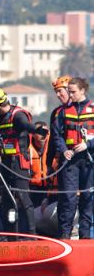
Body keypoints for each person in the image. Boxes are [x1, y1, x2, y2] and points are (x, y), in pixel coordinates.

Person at [0, 87, 48, 235]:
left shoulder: (17, 116)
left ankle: (31, 234)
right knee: (6, 200)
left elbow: (26, 125)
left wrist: (37, 130)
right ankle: (9, 233)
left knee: (24, 198)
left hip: (19, 164)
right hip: (5, 163)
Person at [51, 77, 93, 239]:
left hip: (89, 160)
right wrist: (63, 150)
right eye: (69, 91)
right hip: (70, 161)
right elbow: (56, 134)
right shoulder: (62, 112)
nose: (70, 94)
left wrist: (88, 145)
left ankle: (85, 236)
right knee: (68, 199)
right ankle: (64, 236)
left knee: (87, 199)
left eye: (73, 92)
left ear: (82, 91)